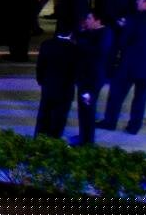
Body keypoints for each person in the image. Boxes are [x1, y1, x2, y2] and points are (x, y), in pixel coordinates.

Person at [99, 0, 146, 134]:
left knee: (117, 94)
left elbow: (123, 42)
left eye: (139, 0)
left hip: (130, 63)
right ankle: (134, 126)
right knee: (141, 97)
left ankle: (110, 121)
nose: (137, 2)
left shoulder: (133, 19)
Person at [35, 13, 101, 144]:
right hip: (65, 88)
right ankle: (54, 140)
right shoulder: (75, 50)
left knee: (44, 114)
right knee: (59, 117)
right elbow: (77, 71)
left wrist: (41, 80)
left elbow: (40, 66)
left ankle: (38, 139)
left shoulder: (47, 45)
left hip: (48, 86)